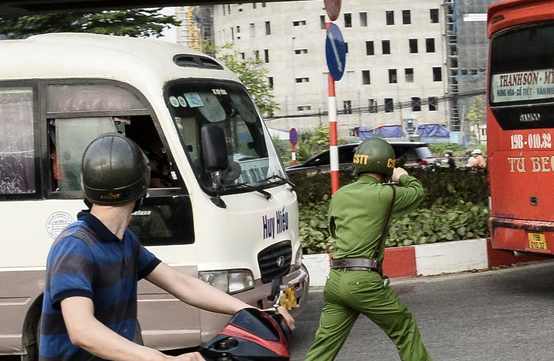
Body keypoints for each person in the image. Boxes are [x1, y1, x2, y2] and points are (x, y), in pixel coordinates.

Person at [39, 132, 293, 361]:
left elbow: (180, 283)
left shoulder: (124, 241)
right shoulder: (75, 246)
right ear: (143, 186)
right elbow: (82, 331)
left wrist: (252, 312)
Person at [304, 137, 432, 361]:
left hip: (335, 282)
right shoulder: (385, 194)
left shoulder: (340, 195)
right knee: (404, 327)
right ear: (386, 165)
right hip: (363, 282)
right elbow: (417, 192)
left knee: (324, 347)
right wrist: (402, 176)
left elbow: (335, 231)